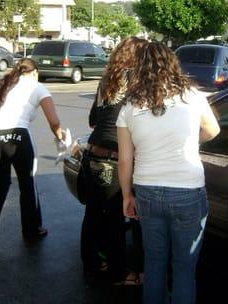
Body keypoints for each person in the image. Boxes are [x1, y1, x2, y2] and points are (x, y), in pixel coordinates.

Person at [116, 42, 220, 304]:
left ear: (139, 68)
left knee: (154, 263)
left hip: (147, 191)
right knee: (184, 268)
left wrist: (127, 195)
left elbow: (125, 160)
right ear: (172, 63)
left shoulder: (129, 106)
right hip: (187, 190)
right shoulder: (193, 96)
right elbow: (213, 131)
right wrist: (188, 139)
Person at [80, 36, 147, 285]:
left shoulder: (107, 80)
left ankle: (91, 263)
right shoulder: (136, 80)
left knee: (93, 214)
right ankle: (121, 273)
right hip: (114, 157)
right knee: (117, 217)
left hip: (93, 153)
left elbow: (93, 119)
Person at [0, 58, 65, 241]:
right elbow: (54, 120)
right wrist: (60, 137)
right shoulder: (37, 86)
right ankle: (31, 230)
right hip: (18, 136)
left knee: (0, 183)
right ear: (34, 72)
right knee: (27, 183)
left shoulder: (4, 84)